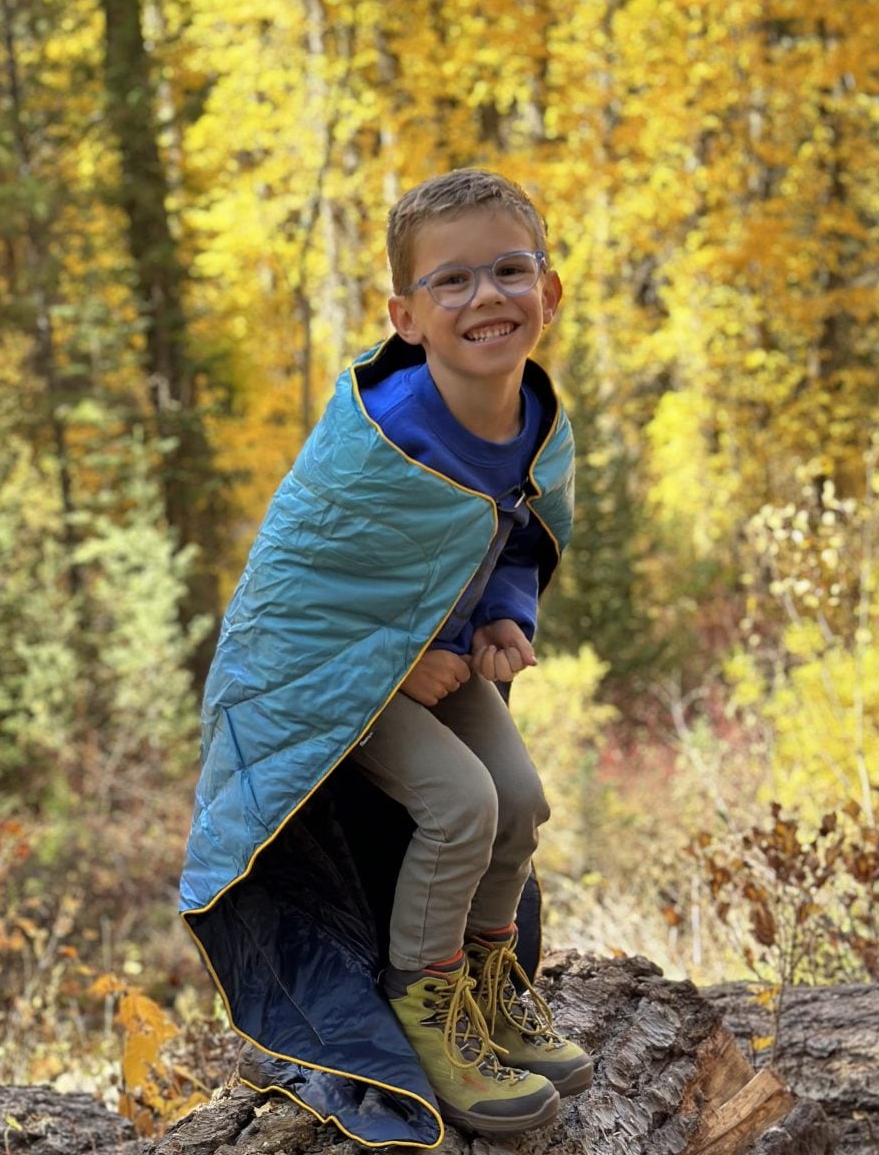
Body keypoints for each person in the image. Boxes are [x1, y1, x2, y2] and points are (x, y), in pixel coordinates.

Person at [179, 169, 589, 1150]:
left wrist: (500, 617)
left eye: (509, 270)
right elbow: (305, 590)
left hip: (438, 658)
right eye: (452, 282)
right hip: (341, 680)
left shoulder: (533, 417)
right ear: (406, 316)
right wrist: (392, 669)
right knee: (461, 803)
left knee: (520, 798)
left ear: (550, 291)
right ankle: (428, 1006)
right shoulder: (384, 437)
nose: (485, 297)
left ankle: (494, 986)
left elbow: (513, 538)